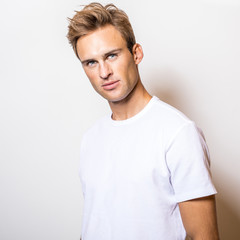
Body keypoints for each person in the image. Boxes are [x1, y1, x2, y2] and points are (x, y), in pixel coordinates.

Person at [67, 2, 219, 240]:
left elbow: (204, 235)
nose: (104, 72)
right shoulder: (91, 138)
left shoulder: (178, 133)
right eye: (91, 62)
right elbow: (95, 223)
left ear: (136, 53)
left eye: (112, 55)